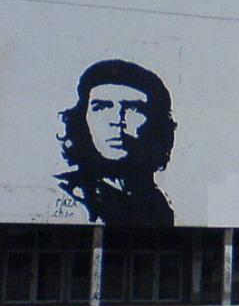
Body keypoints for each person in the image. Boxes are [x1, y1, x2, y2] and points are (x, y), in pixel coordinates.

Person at [55, 59, 177, 226]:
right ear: (81, 118)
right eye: (101, 107)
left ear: (156, 123)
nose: (117, 120)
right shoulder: (65, 193)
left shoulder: (158, 203)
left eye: (133, 108)